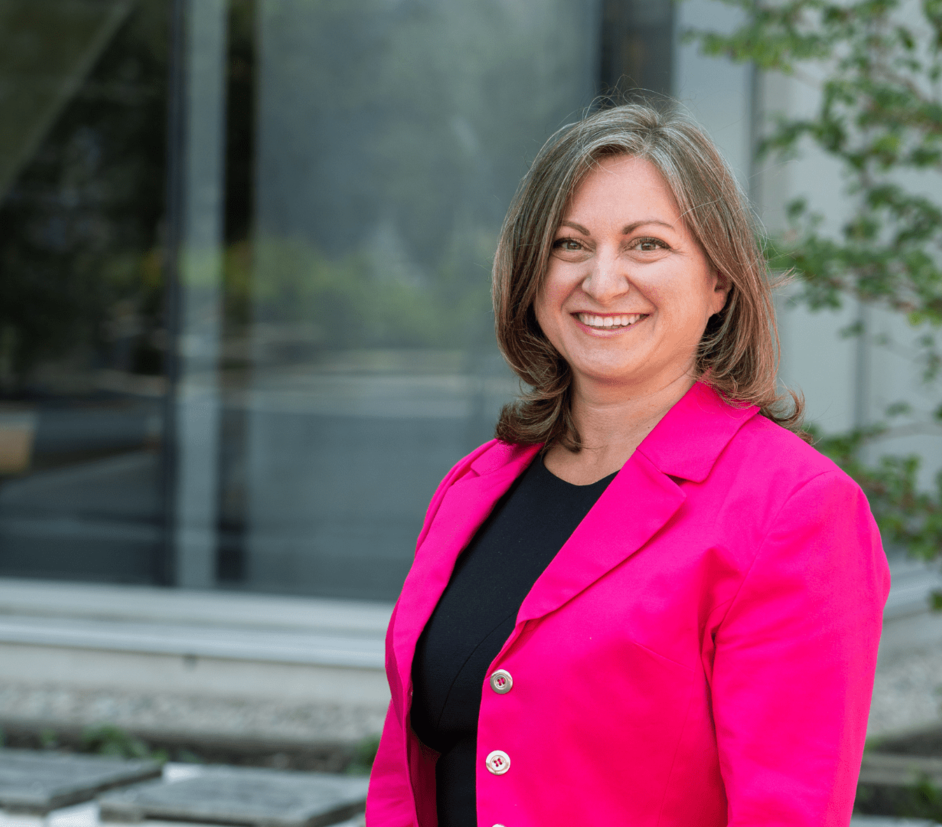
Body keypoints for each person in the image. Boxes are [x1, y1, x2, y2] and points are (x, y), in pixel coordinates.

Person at [366, 102, 890, 826]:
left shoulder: (792, 508)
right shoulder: (473, 486)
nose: (602, 281)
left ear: (719, 283)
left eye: (646, 245)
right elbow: (401, 777)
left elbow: (787, 810)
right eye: (569, 244)